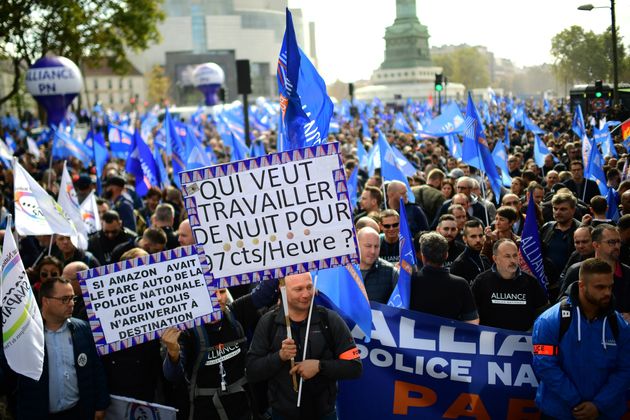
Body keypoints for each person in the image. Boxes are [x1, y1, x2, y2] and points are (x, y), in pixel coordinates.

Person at [246, 272, 362, 420]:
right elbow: (252, 371)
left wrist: (319, 366)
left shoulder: (329, 319)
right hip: (282, 414)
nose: (306, 294)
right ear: (283, 289)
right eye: (298, 289)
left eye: (309, 287)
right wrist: (279, 356)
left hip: (324, 413)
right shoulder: (268, 323)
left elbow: (355, 367)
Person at [162, 276, 279, 420]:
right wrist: (173, 353)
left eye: (222, 291)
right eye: (210, 293)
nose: (218, 298)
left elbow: (264, 293)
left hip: (243, 408)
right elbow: (172, 376)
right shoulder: (186, 331)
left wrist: (278, 264)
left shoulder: (235, 312)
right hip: (206, 412)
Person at [532, 258, 630, 419]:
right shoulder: (549, 320)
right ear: (582, 285)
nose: (607, 292)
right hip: (560, 412)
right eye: (600, 287)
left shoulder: (619, 325)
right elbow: (545, 365)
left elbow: (626, 369)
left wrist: (599, 405)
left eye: (610, 286)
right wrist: (576, 402)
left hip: (604, 413)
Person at [6, 277, 109, 419]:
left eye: (73, 298)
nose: (71, 304)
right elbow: (10, 377)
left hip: (78, 413)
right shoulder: (25, 334)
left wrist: (101, 405)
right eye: (65, 299)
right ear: (46, 301)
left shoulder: (83, 329)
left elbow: (96, 370)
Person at [471, 239, 548, 331]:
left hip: (522, 339)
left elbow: (543, 311)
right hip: (489, 340)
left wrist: (532, 331)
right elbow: (471, 311)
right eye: (507, 256)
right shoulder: (481, 281)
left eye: (515, 255)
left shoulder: (531, 282)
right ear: (495, 259)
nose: (512, 260)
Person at [559, 224, 630, 319]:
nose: (617, 246)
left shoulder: (627, 273)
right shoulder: (577, 271)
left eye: (618, 242)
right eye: (611, 242)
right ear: (596, 245)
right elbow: (563, 303)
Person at [409, 232, 479, 323]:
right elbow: (472, 321)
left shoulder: (410, 281)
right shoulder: (461, 284)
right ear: (446, 255)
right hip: (450, 336)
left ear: (423, 256)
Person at [357, 227, 397, 303]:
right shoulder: (344, 271)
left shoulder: (391, 272)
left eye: (376, 246)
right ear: (357, 244)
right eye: (368, 246)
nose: (373, 251)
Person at [450, 220, 491, 284]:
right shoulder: (459, 265)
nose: (478, 240)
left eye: (480, 236)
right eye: (473, 236)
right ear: (465, 239)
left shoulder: (485, 260)